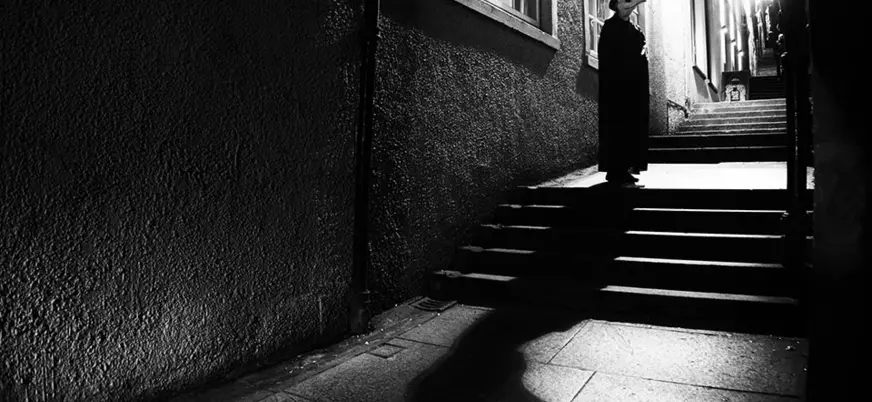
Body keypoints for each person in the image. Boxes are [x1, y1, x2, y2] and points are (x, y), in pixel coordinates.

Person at [598, 0, 650, 186]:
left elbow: (641, 53)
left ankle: (626, 169)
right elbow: (608, 58)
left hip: (633, 88)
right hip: (616, 89)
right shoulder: (610, 27)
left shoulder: (636, 30)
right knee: (617, 129)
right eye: (624, 2)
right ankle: (616, 171)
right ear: (616, 5)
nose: (630, 6)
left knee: (631, 129)